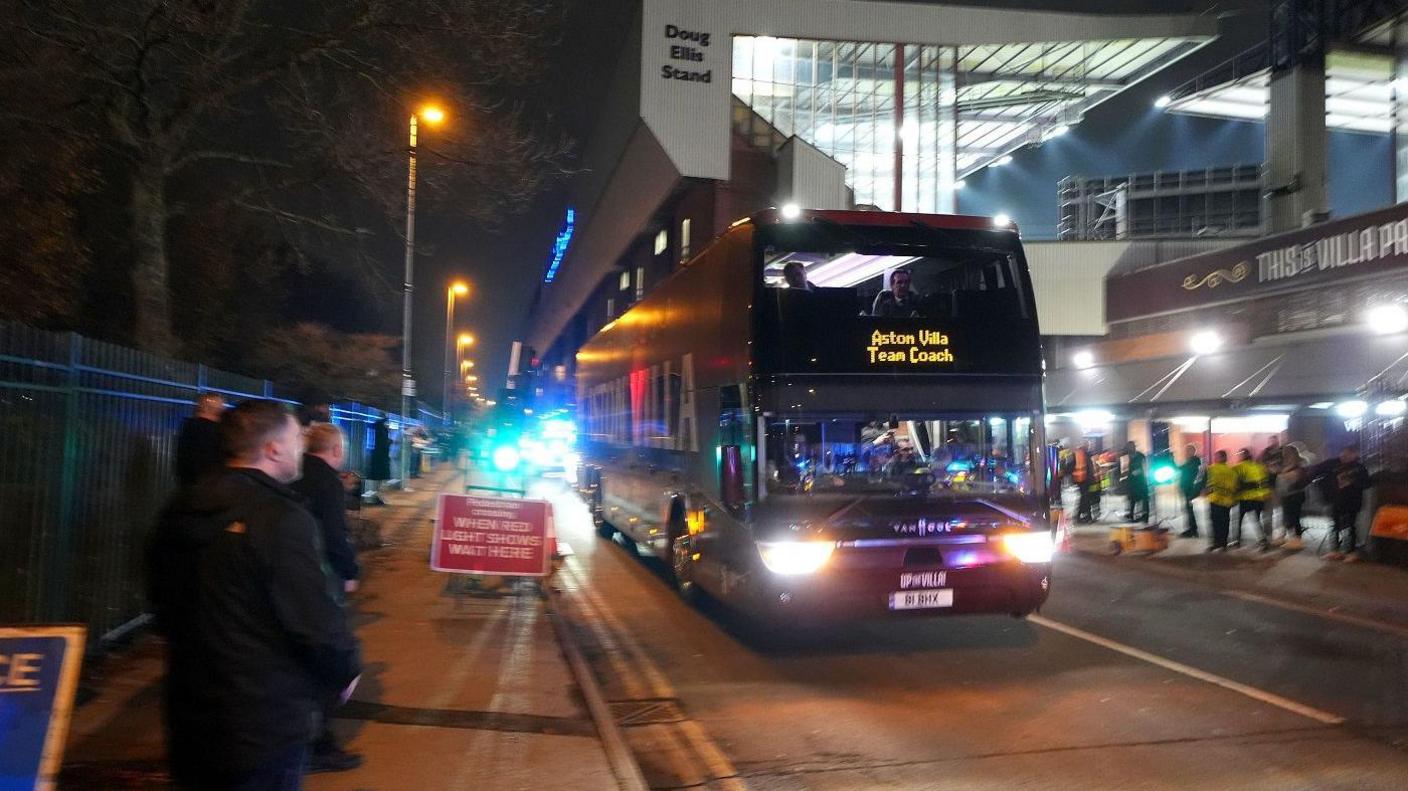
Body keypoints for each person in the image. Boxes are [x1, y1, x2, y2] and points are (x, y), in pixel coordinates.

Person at [147, 400, 360, 790]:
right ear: (273, 448)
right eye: (297, 437)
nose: (301, 447)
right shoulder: (280, 518)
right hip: (264, 720)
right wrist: (344, 668)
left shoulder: (181, 507)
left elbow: (161, 603)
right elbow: (312, 617)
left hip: (189, 713)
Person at [291, 422, 363, 773]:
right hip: (321, 577)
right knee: (331, 655)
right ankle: (318, 740)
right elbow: (336, 535)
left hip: (292, 577)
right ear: (335, 450)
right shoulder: (328, 484)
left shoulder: (293, 473)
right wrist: (349, 571)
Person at [1320, 445, 1371, 561]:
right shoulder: (1335, 466)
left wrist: (1352, 482)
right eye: (1342, 453)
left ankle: (1351, 552)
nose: (1343, 456)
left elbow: (1367, 484)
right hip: (1336, 500)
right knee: (1334, 526)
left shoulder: (1360, 468)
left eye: (1347, 454)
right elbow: (1326, 480)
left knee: (1350, 527)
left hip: (1352, 502)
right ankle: (1334, 550)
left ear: (1354, 455)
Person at [175, 392, 226, 487]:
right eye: (221, 407)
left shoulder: (189, 427)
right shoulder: (216, 432)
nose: (223, 409)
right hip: (210, 487)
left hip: (189, 487)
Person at [1233, 447, 1273, 551]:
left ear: (1243, 455)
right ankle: (1263, 541)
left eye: (1240, 454)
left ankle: (1238, 540)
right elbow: (1266, 480)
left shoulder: (1239, 467)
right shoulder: (1259, 466)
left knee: (1240, 519)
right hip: (1260, 497)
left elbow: (1235, 482)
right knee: (1256, 519)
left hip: (1246, 497)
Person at [1204, 450, 1238, 552]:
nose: (1215, 459)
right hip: (1227, 501)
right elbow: (1235, 486)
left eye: (1216, 457)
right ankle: (1223, 544)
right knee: (1225, 523)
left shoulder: (1212, 469)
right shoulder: (1231, 470)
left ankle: (1216, 543)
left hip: (1216, 499)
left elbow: (1208, 483)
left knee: (1215, 523)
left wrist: (1205, 491)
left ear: (1221, 458)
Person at [1280, 444, 1310, 551]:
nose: (1283, 454)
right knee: (1289, 517)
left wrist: (1285, 475)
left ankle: (1297, 540)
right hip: (1287, 494)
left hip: (1295, 494)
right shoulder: (1287, 464)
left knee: (1294, 517)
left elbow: (1296, 477)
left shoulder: (1299, 464)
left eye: (1285, 452)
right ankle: (1293, 539)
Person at [1178, 444, 1203, 538]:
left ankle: (1192, 530)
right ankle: (1192, 529)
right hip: (1187, 489)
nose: (1185, 453)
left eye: (1187, 451)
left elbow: (1196, 477)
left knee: (1189, 510)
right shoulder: (1191, 462)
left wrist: (1194, 492)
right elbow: (1181, 468)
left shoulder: (1195, 462)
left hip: (1190, 490)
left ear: (1192, 452)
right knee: (1188, 510)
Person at [365, 417, 391, 505]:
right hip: (382, 462)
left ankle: (375, 498)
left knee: (377, 481)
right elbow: (385, 446)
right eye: (387, 424)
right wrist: (389, 442)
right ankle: (378, 498)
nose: (388, 426)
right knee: (381, 481)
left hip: (377, 461)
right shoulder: (383, 434)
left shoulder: (376, 432)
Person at [1122, 441, 1149, 523]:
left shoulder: (1141, 456)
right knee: (1132, 499)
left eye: (1132, 447)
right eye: (1129, 447)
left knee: (1144, 498)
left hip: (1141, 481)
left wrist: (1139, 472)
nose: (1130, 449)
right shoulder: (1126, 457)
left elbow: (1145, 467)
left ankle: (1145, 516)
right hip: (1131, 482)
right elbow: (1124, 470)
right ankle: (1131, 514)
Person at [1073, 441, 1099, 524]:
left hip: (1082, 480)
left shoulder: (1081, 454)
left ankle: (1081, 516)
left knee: (1084, 499)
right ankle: (1086, 517)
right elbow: (1088, 469)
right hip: (1083, 480)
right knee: (1085, 499)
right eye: (1088, 445)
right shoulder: (1082, 454)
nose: (1089, 447)